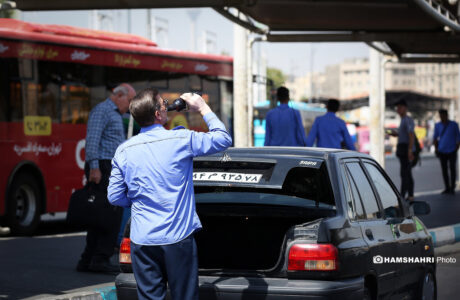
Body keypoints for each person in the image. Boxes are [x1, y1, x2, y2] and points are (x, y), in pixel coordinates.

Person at [108, 89, 232, 300]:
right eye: (163, 103)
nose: (167, 105)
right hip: (177, 238)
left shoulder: (124, 150)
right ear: (158, 114)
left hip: (143, 239)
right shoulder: (181, 139)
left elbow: (114, 196)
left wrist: (141, 200)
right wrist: (202, 107)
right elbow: (222, 138)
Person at [76, 83, 136, 273]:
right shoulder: (103, 110)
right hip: (102, 167)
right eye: (130, 100)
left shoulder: (117, 115)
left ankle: (88, 259)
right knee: (109, 215)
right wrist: (94, 167)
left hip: (108, 166)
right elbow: (92, 140)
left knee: (100, 216)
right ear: (119, 95)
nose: (130, 105)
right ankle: (99, 258)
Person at [390, 99, 416, 201]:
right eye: (397, 108)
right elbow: (405, 134)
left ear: (405, 108)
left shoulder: (407, 120)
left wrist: (410, 151)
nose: (398, 109)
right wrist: (396, 134)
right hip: (403, 150)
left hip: (406, 150)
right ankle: (409, 195)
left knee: (405, 174)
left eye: (400, 107)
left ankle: (403, 196)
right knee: (406, 173)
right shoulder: (403, 120)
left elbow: (411, 135)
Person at [433, 109, 460, 194]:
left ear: (446, 115)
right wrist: (436, 149)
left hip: (452, 150)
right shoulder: (437, 125)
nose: (442, 117)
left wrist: (457, 147)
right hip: (442, 151)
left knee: (452, 169)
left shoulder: (454, 124)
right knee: (444, 170)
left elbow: (458, 137)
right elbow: (435, 138)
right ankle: (447, 187)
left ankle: (452, 187)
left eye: (443, 115)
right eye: (440, 116)